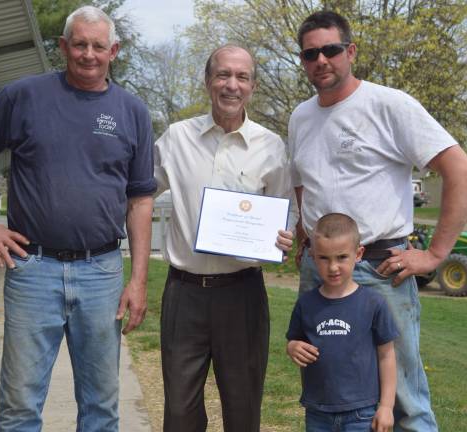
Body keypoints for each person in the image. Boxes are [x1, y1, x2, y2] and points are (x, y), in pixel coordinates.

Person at [0, 6, 156, 431]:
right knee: (19, 407)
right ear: (62, 46)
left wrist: (136, 280)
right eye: (78, 44)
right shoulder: (24, 96)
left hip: (101, 272)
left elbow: (140, 200)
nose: (88, 54)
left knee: (101, 409)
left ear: (113, 50)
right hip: (33, 269)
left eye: (98, 46)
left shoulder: (132, 111)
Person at [289, 10, 467, 432]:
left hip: (380, 270)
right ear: (302, 60)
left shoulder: (389, 105)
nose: (321, 60)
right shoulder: (300, 117)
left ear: (350, 51)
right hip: (319, 272)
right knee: (327, 389)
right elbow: (302, 182)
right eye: (310, 53)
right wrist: (305, 233)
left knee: (405, 400)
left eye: (331, 50)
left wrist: (434, 254)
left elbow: (463, 173)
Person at [154, 44, 295, 431]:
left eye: (242, 77)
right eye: (223, 75)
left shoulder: (271, 147)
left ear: (253, 86)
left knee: (243, 407)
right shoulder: (175, 139)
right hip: (185, 294)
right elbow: (137, 194)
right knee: (180, 412)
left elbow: (287, 211)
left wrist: (283, 236)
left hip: (242, 294)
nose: (232, 85)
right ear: (207, 81)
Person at [287, 213, 397, 432]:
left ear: (358, 254)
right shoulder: (306, 303)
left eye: (341, 257)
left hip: (361, 413)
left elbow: (387, 356)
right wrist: (292, 348)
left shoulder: (373, 303)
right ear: (313, 255)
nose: (333, 267)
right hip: (317, 411)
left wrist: (386, 406)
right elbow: (294, 341)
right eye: (324, 258)